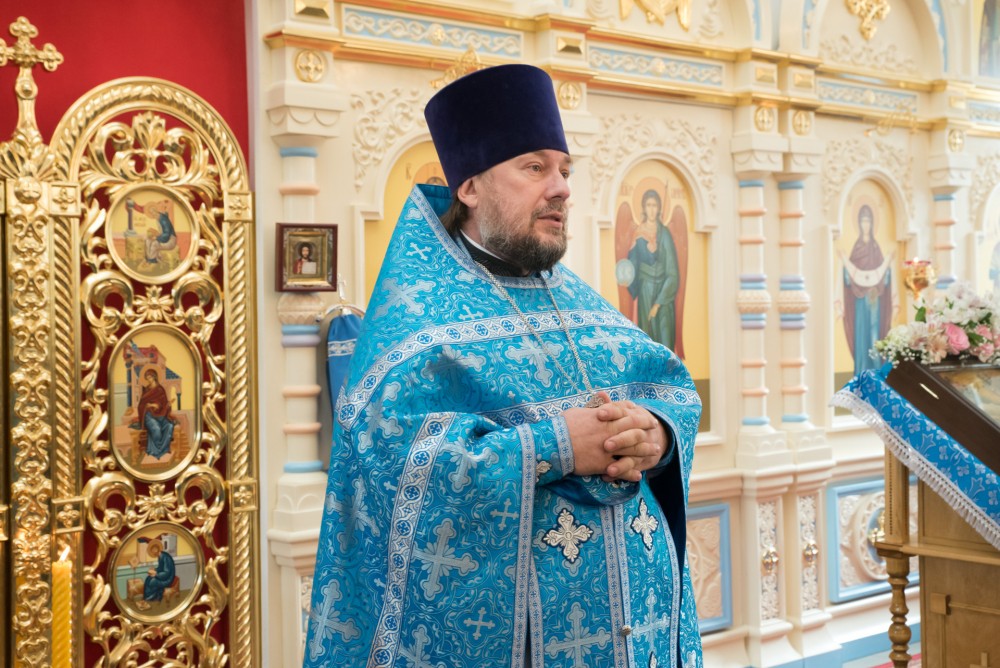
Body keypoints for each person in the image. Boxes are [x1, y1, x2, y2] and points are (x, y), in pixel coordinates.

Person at [305, 64, 703, 668]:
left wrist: (657, 433)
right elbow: (390, 470)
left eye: (565, 170)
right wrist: (555, 446)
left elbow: (670, 387)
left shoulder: (574, 298)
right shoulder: (418, 318)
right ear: (469, 187)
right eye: (535, 167)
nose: (562, 188)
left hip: (634, 636)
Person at [840, 204, 894, 375]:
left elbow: (885, 276)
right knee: (862, 336)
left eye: (868, 221)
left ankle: (877, 372)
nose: (866, 225)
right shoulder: (856, 249)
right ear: (858, 223)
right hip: (859, 301)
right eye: (863, 221)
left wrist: (885, 270)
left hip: (875, 300)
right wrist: (846, 267)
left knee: (874, 334)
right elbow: (848, 278)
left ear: (872, 224)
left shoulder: (876, 248)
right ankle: (861, 372)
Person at [627, 189, 682, 351]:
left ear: (659, 209)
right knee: (647, 338)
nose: (651, 209)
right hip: (644, 291)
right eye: (648, 205)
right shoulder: (638, 233)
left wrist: (658, 303)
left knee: (664, 338)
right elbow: (632, 264)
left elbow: (673, 273)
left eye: (654, 205)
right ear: (644, 207)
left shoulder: (664, 234)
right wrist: (626, 275)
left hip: (663, 295)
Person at [131, 368, 176, 460]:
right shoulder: (146, 390)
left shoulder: (160, 389)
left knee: (169, 426)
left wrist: (166, 405)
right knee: (156, 429)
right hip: (148, 415)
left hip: (161, 414)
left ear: (154, 377)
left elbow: (164, 404)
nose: (148, 380)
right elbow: (141, 405)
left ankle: (162, 450)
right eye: (147, 378)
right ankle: (156, 450)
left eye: (150, 377)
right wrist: (150, 405)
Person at [136, 537, 175, 610]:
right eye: (152, 551)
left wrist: (156, 574)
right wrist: (154, 570)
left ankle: (148, 599)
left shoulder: (165, 557)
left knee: (152, 581)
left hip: (168, 579)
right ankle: (146, 598)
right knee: (148, 578)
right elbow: (160, 568)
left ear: (157, 549)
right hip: (162, 576)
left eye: (153, 550)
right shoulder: (160, 556)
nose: (153, 552)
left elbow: (166, 573)